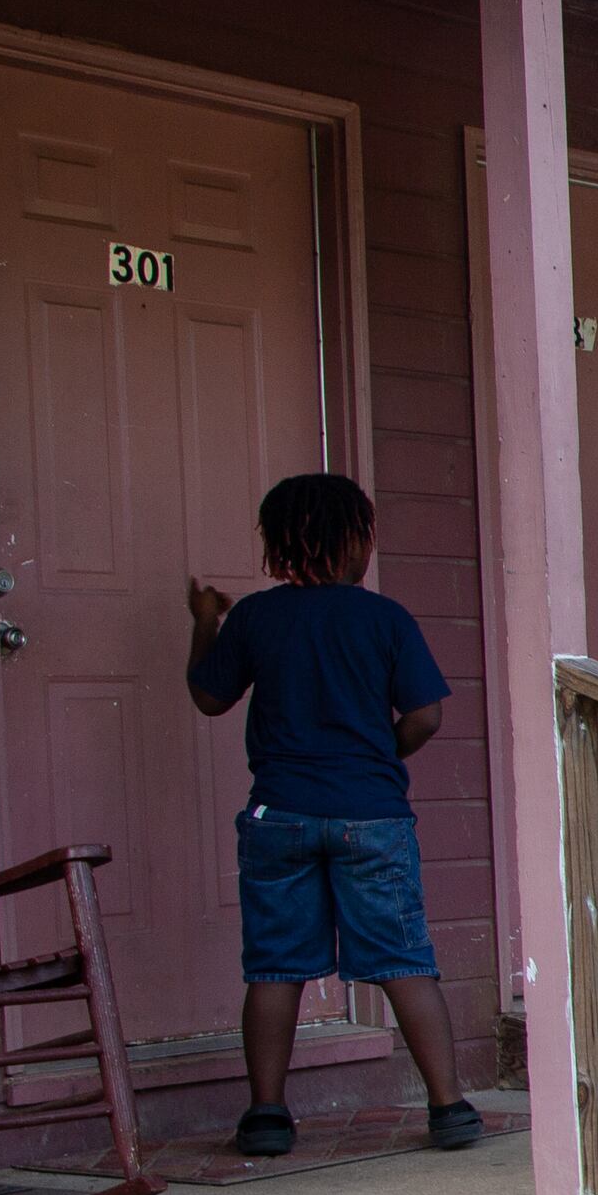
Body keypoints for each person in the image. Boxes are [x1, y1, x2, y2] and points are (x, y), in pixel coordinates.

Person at [186, 472, 482, 1160]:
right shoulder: (384, 619)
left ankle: (265, 1114)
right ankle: (449, 1106)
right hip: (371, 814)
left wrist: (206, 622)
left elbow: (208, 696)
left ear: (279, 545)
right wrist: (385, 752)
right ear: (360, 541)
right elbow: (426, 716)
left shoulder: (257, 617)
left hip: (280, 814)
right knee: (404, 961)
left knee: (275, 967)